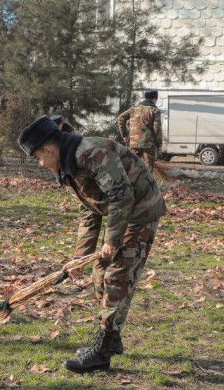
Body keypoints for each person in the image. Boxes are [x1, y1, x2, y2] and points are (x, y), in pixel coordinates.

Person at [18, 115, 166, 373]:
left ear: (49, 150)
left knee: (117, 278)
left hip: (140, 211)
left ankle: (103, 351)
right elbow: (90, 209)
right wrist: (80, 256)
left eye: (39, 158)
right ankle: (113, 336)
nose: (41, 164)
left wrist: (111, 240)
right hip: (122, 212)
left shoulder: (91, 154)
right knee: (99, 273)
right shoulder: (69, 165)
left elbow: (122, 195)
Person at [117, 90, 163, 170]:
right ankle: (147, 182)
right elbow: (157, 129)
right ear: (154, 99)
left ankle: (133, 182)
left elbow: (120, 118)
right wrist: (159, 145)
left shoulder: (133, 109)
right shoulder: (154, 110)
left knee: (133, 167)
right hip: (148, 144)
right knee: (148, 169)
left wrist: (124, 135)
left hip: (134, 143)